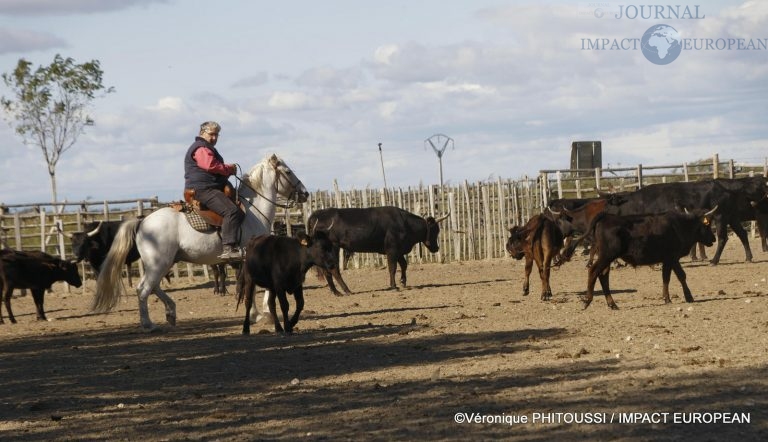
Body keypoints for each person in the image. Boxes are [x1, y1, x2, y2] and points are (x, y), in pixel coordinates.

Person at [183, 121, 245, 260]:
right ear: (202, 133)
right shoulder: (201, 148)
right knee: (231, 211)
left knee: (238, 212)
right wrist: (228, 168)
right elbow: (210, 165)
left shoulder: (206, 147)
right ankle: (229, 248)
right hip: (205, 188)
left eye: (217, 135)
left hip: (206, 187)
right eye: (211, 134)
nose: (214, 138)